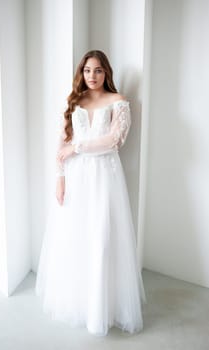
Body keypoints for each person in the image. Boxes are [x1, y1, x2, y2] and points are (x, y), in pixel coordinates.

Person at [35, 49, 146, 336]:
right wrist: (59, 179)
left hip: (105, 178)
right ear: (81, 73)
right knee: (76, 238)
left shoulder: (119, 102)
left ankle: (103, 308)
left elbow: (114, 141)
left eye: (97, 70)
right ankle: (79, 303)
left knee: (102, 238)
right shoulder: (76, 101)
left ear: (106, 72)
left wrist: (78, 148)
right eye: (87, 71)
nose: (92, 76)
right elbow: (61, 144)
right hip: (76, 177)